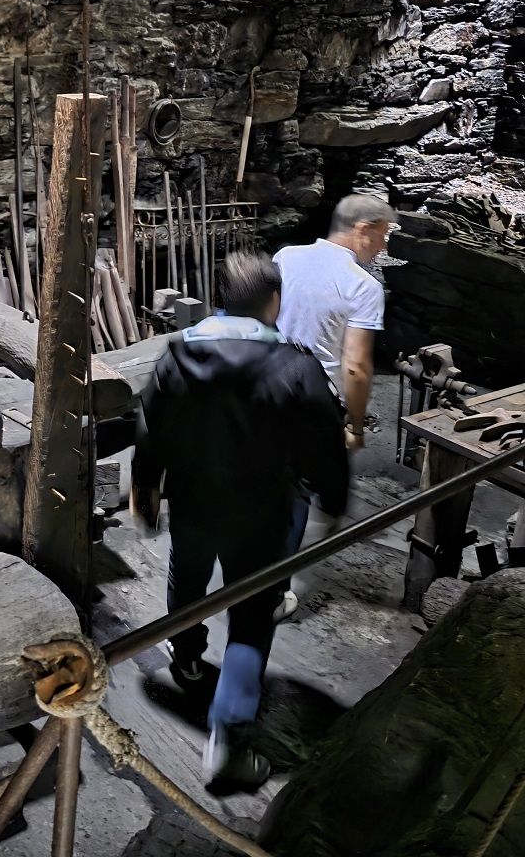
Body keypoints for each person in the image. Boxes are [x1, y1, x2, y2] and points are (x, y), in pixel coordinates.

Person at [134, 251, 346, 789]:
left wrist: (146, 490)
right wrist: (332, 495)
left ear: (220, 298)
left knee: (188, 578)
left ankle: (185, 659)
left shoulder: (177, 356)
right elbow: (324, 442)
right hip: (262, 516)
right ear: (275, 302)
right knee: (252, 620)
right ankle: (228, 745)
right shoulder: (297, 367)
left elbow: (150, 429)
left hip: (194, 501)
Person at [271, 193, 397, 616]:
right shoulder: (362, 285)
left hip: (263, 381)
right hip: (310, 398)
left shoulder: (286, 255)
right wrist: (356, 425)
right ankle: (269, 597)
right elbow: (357, 366)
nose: (383, 247)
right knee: (292, 498)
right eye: (383, 236)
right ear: (363, 231)